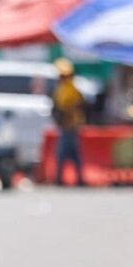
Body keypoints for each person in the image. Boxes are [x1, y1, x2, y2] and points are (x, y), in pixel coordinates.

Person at [51, 58, 86, 186]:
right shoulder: (62, 90)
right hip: (67, 126)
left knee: (65, 153)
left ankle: (64, 178)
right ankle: (68, 178)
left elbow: (77, 106)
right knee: (72, 153)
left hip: (70, 126)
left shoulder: (71, 90)